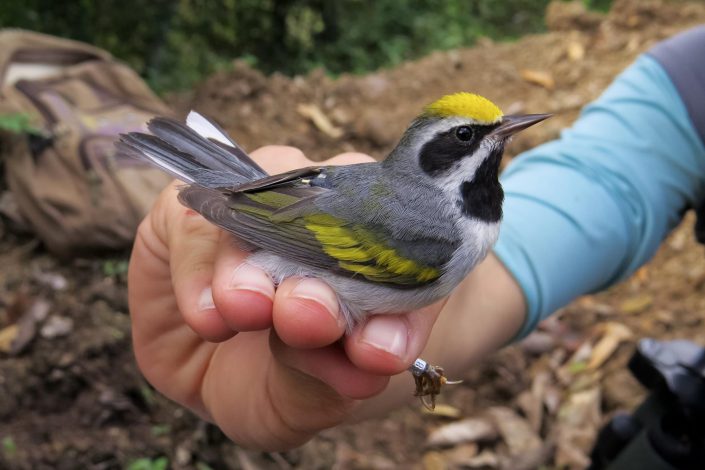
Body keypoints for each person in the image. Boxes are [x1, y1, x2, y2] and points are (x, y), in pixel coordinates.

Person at [127, 26, 705, 450]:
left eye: (492, 131)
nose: (494, 138)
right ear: (432, 157)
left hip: (293, 204)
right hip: (287, 236)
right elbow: (609, 186)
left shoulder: (462, 228)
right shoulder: (438, 236)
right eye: (467, 137)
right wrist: (234, 201)